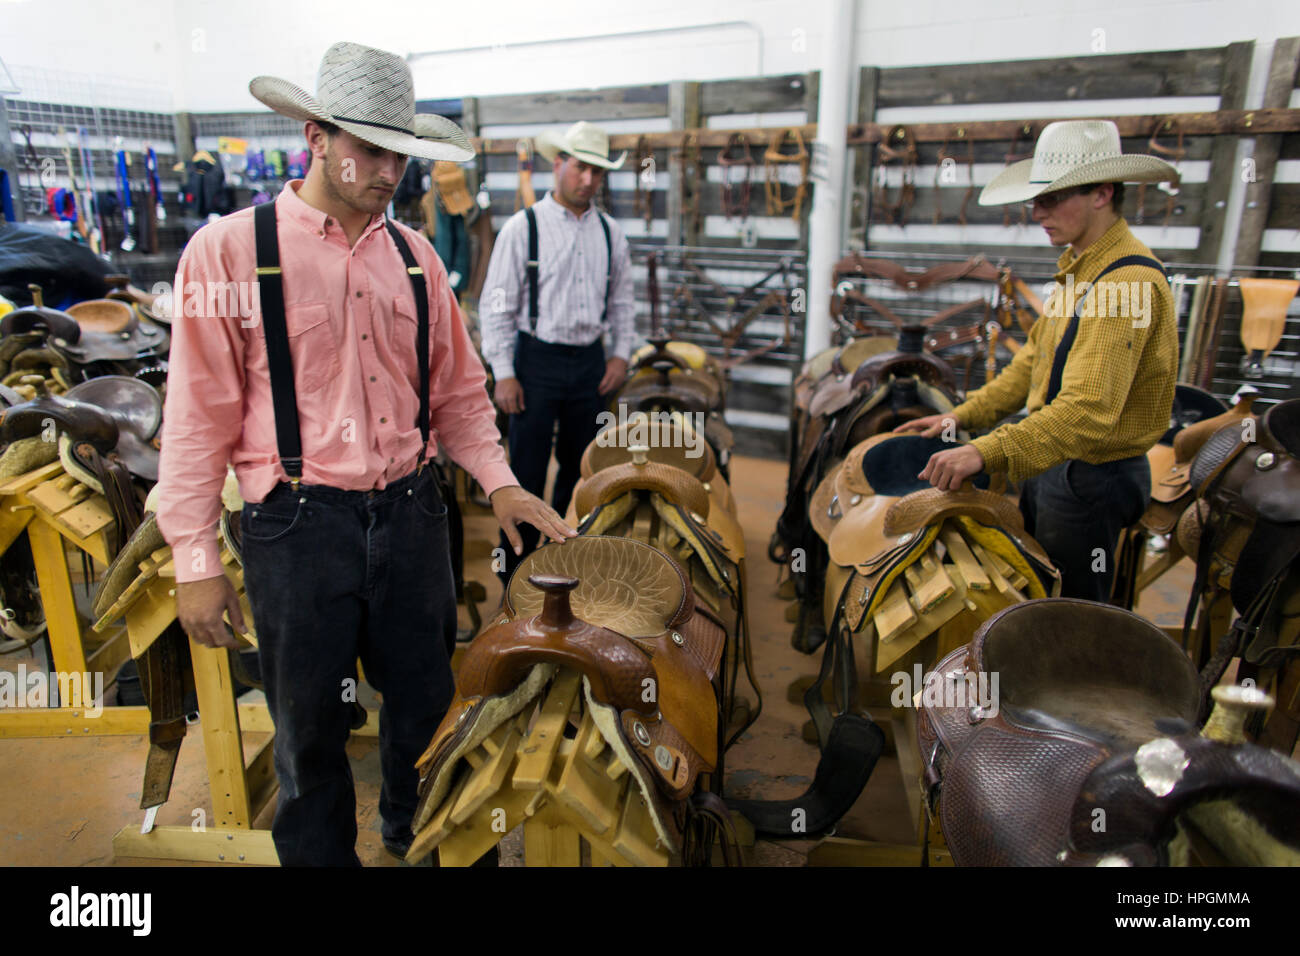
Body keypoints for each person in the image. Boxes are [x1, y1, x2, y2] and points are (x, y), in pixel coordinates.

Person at [155, 41, 574, 866]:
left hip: (413, 515)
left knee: (426, 705)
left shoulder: (417, 261)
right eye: (371, 150)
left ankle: (423, 842)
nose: (390, 172)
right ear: (315, 137)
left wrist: (502, 481)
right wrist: (194, 557)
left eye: (400, 155)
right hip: (296, 526)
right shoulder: (228, 253)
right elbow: (198, 416)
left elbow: (456, 392)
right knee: (308, 728)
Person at [897, 120, 1179, 602]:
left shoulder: (1123, 285)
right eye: (1036, 199)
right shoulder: (1081, 269)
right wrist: (961, 417)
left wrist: (986, 450)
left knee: (1067, 619)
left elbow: (1088, 410)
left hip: (1091, 476)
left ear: (1102, 193)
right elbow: (1032, 364)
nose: (1037, 211)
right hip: (1054, 461)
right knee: (1037, 594)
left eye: (1052, 198)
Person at [479, 121, 635, 580]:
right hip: (535, 362)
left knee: (582, 469)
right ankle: (513, 577)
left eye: (597, 173)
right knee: (524, 473)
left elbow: (624, 302)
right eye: (581, 168)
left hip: (590, 362)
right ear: (559, 164)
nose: (588, 180)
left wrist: (621, 354)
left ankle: (565, 567)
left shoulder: (612, 234)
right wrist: (504, 371)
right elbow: (496, 306)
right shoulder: (522, 229)